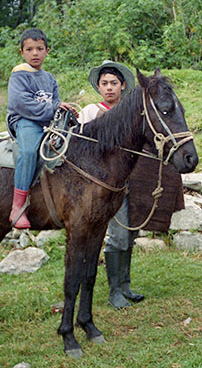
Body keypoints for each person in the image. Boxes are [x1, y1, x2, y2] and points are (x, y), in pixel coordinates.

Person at [78, 60, 145, 309]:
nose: (109, 88)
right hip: (101, 188)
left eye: (113, 83)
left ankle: (125, 285)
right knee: (115, 237)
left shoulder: (130, 113)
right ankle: (114, 291)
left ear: (123, 85)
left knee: (127, 235)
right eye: (104, 83)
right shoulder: (91, 111)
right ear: (98, 86)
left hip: (127, 184)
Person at [6, 28, 77, 229]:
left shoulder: (49, 78)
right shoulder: (19, 74)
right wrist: (53, 107)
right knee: (28, 151)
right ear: (21, 52)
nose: (35, 53)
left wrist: (64, 111)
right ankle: (17, 206)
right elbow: (20, 103)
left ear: (47, 51)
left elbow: (55, 101)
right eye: (29, 49)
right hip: (25, 120)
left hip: (46, 122)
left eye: (39, 48)